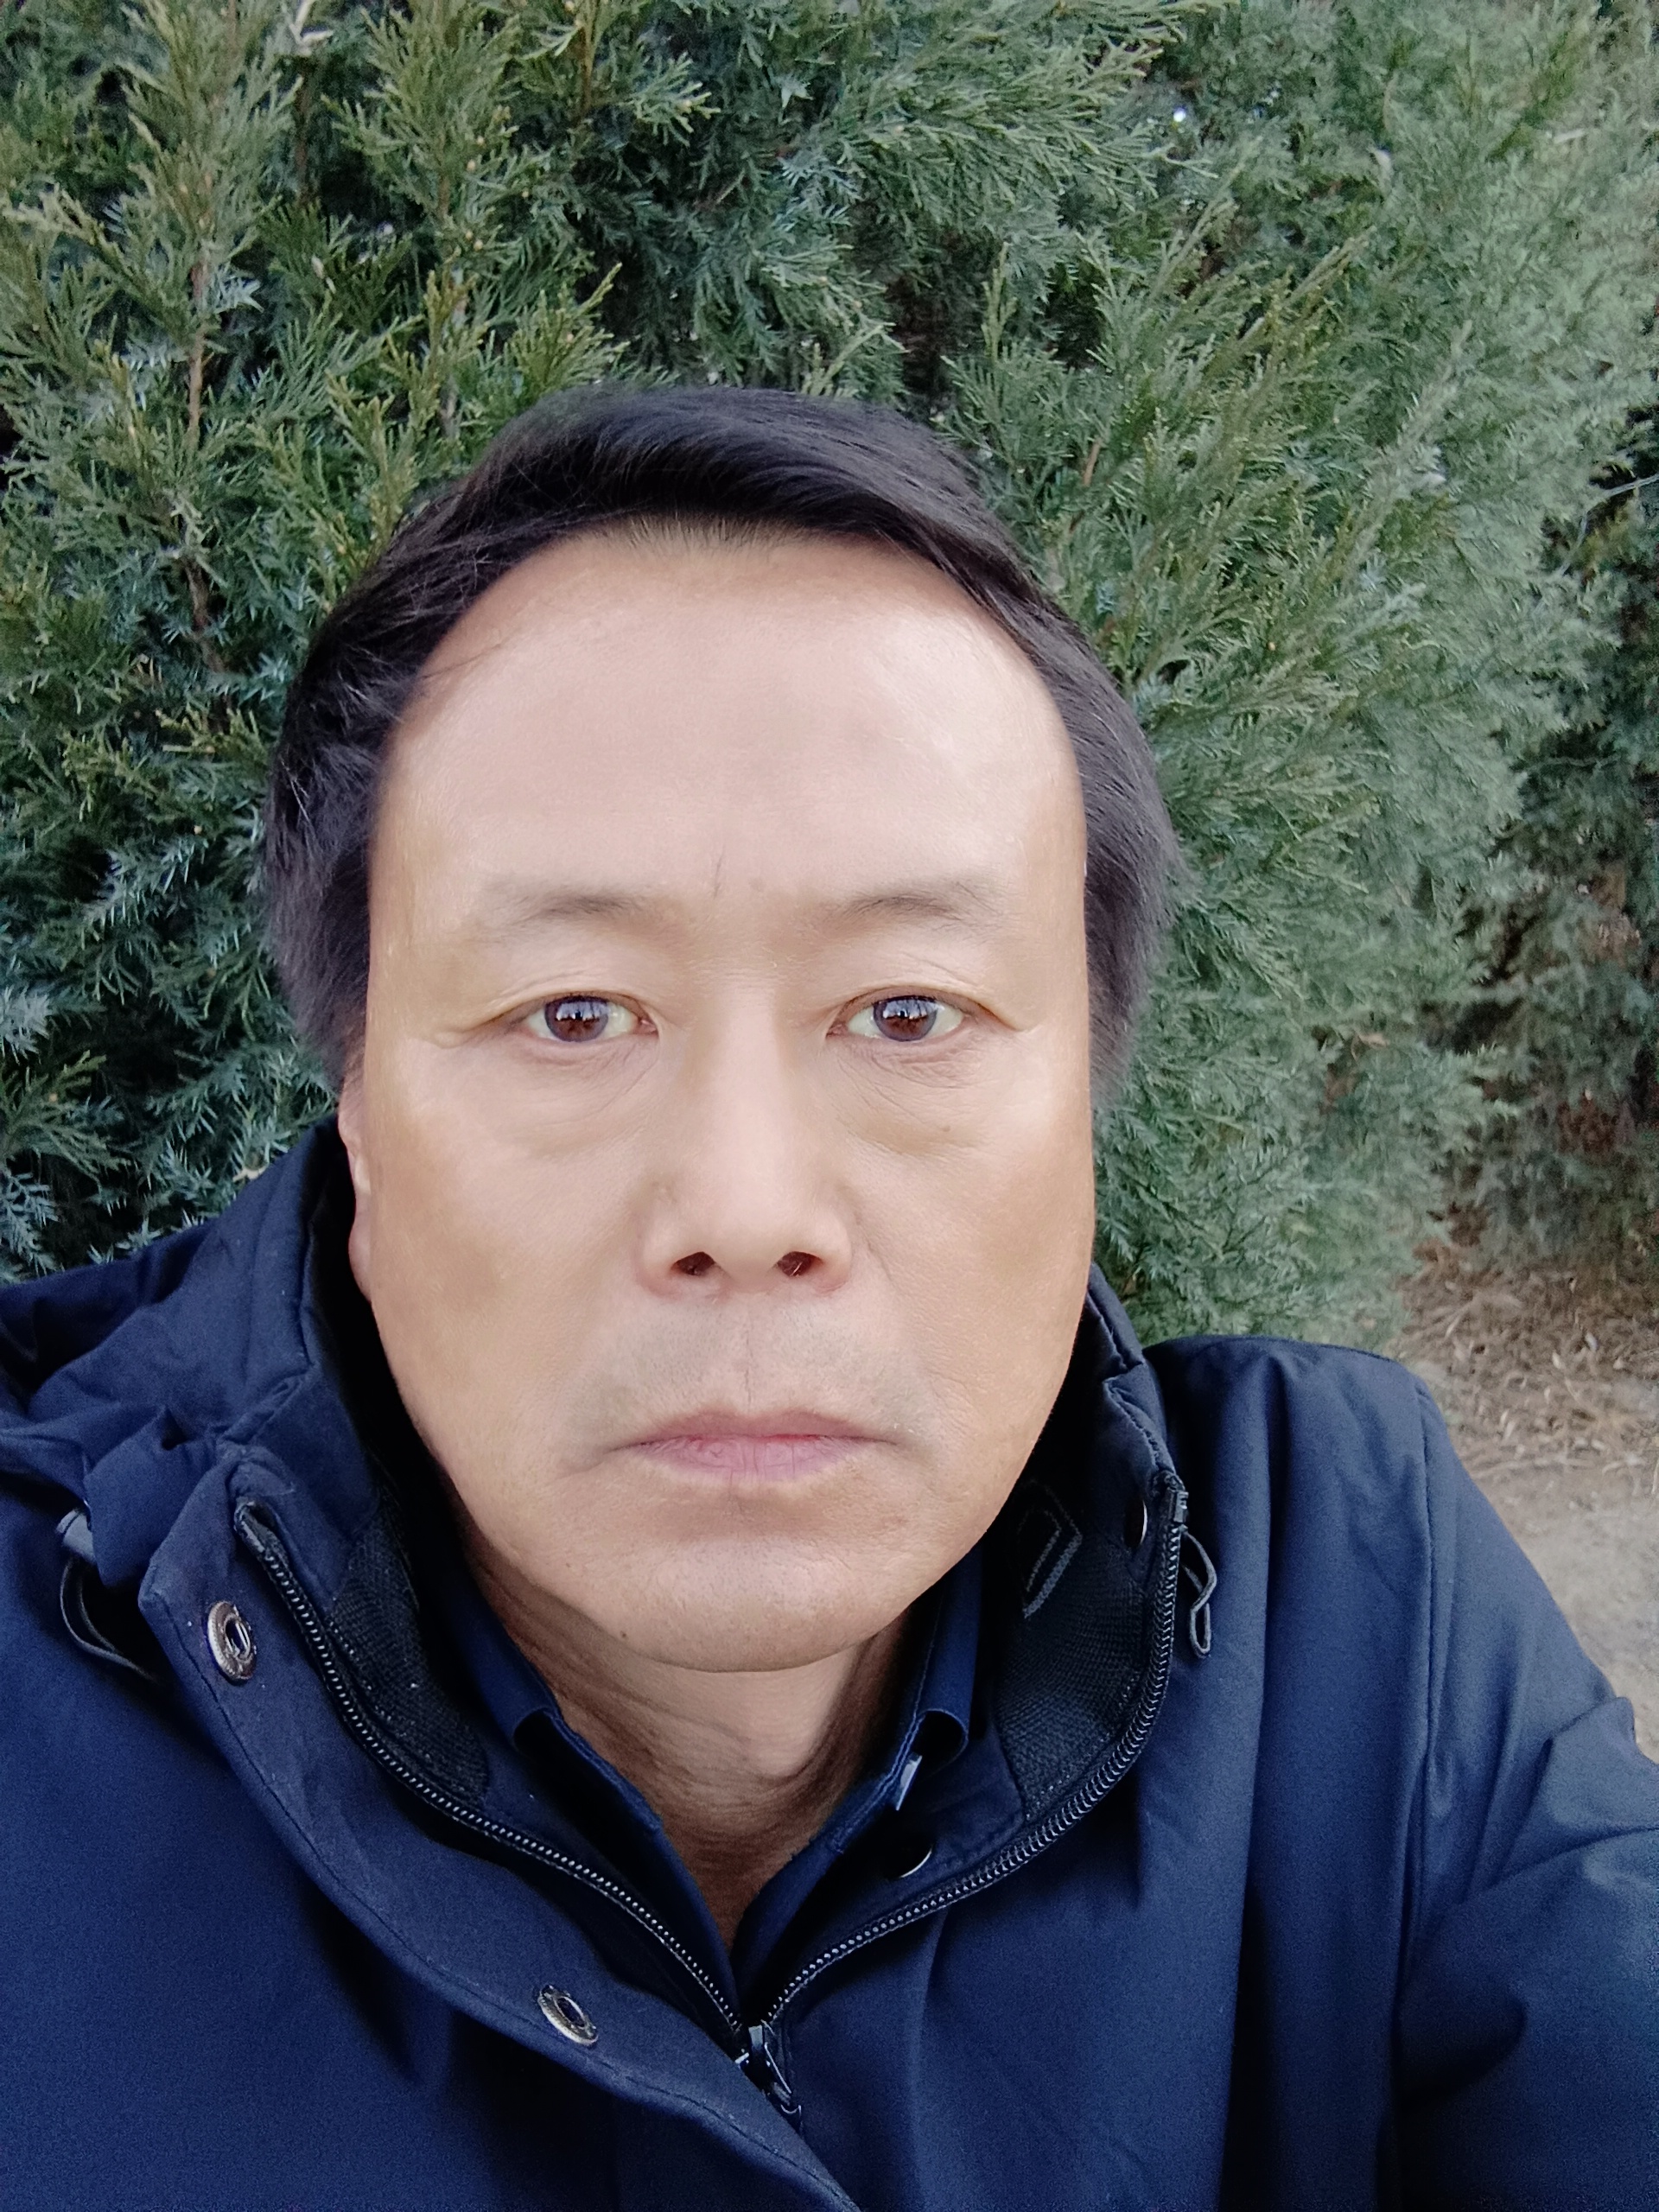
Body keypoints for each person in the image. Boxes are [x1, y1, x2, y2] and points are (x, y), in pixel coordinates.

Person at [0, 385, 1654, 2212]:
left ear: (1085, 1105)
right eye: (573, 1013)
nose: (746, 1207)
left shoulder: (1345, 1604)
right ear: (363, 1111)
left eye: (908, 1009)